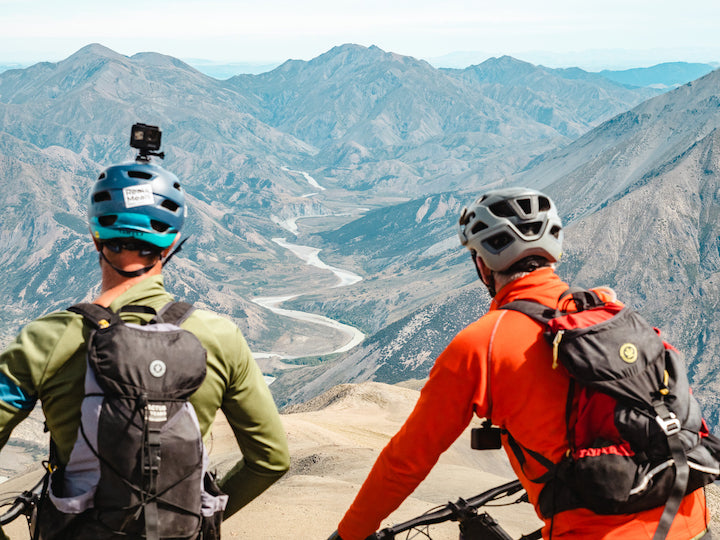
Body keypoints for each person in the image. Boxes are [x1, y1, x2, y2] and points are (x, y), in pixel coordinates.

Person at [329, 187, 710, 539]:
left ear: (483, 264)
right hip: (692, 521)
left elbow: (404, 462)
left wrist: (348, 535)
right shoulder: (611, 312)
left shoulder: (482, 344)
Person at [0, 158, 290, 537]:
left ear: (94, 235)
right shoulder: (221, 338)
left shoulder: (47, 339)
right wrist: (201, 522)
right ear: (171, 243)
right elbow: (271, 460)